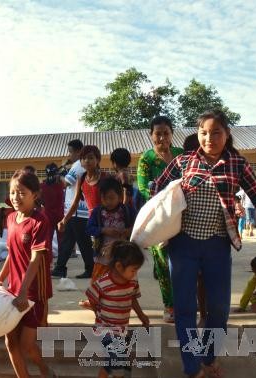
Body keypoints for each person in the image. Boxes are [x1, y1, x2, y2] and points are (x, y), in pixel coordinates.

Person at [153, 109, 256, 378]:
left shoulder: (237, 164)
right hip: (182, 245)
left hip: (217, 246)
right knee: (184, 308)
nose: (209, 138)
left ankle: (208, 358)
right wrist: (164, 214)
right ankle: (192, 367)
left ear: (227, 134)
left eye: (216, 132)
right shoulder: (183, 162)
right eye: (204, 132)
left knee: (218, 309)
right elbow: (157, 188)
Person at [0, 170, 53, 378]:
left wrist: (24, 293)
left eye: (21, 192)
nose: (15, 197)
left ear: (34, 195)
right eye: (12, 192)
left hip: (34, 294)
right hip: (13, 291)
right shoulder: (10, 219)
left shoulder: (40, 221)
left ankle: (45, 370)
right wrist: (0, 279)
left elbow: (35, 259)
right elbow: (13, 254)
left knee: (27, 345)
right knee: (10, 342)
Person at [137, 115, 184, 323]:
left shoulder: (181, 155)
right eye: (158, 134)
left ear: (172, 134)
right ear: (151, 135)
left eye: (166, 133)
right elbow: (142, 187)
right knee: (163, 262)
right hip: (158, 215)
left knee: (181, 261)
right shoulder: (146, 159)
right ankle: (170, 306)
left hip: (182, 215)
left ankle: (184, 301)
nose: (162, 138)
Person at [85, 241, 149, 378]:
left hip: (122, 330)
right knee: (113, 360)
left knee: (120, 361)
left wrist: (142, 315)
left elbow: (133, 299)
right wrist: (97, 311)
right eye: (133, 270)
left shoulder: (132, 282)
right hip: (105, 329)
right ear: (119, 266)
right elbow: (91, 296)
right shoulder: (103, 283)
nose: (135, 273)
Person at [57, 145, 107, 278]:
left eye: (91, 158)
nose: (87, 161)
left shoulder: (105, 178)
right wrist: (64, 219)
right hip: (92, 221)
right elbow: (75, 202)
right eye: (84, 159)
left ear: (98, 159)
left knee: (107, 253)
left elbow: (115, 200)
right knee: (96, 252)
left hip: (106, 220)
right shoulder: (82, 178)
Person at [51, 139, 94, 279]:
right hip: (74, 211)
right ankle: (60, 268)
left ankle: (90, 268)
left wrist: (58, 175)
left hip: (77, 212)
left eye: (70, 152)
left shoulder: (78, 165)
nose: (69, 155)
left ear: (77, 151)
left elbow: (66, 183)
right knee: (68, 241)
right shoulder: (78, 165)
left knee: (83, 242)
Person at [86, 177, 135, 284]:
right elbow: (89, 228)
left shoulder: (127, 211)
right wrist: (103, 230)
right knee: (100, 285)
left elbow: (138, 226)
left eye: (111, 198)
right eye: (104, 198)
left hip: (123, 257)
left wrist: (129, 231)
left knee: (122, 285)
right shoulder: (97, 212)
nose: (108, 202)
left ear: (120, 197)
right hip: (103, 258)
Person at [40, 163, 65, 249]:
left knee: (50, 239)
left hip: (51, 216)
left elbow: (39, 200)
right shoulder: (62, 184)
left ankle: (50, 260)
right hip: (57, 216)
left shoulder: (43, 186)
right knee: (58, 240)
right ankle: (59, 261)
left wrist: (44, 204)